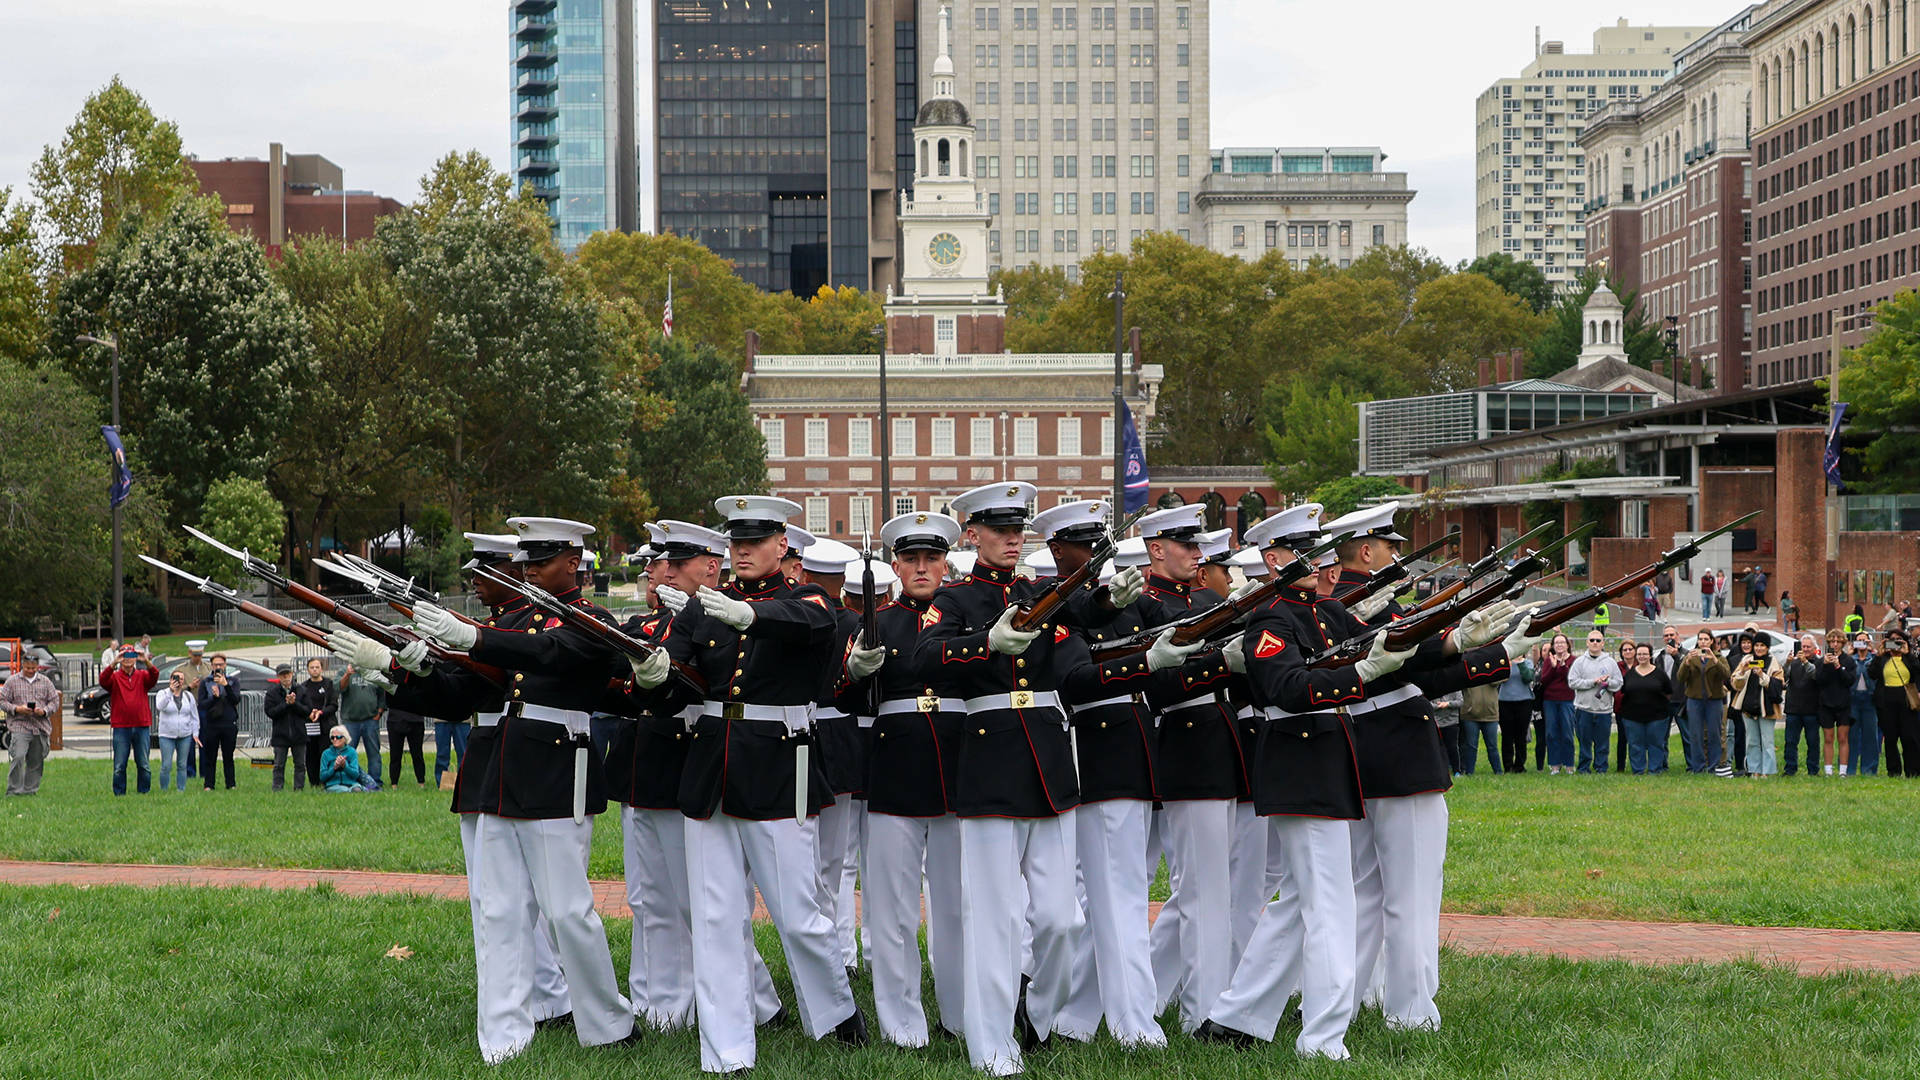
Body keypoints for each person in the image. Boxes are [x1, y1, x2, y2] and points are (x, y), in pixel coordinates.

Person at [911, 482, 1140, 1073]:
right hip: (990, 761)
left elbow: (1082, 613)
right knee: (995, 917)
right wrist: (985, 643)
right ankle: (991, 1047)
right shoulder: (956, 598)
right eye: (1000, 529)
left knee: (1062, 920)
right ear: (973, 535)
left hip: (1049, 760)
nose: (1013, 538)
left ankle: (1034, 1012)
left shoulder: (1039, 592)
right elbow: (925, 657)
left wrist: (1109, 597)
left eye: (1019, 529)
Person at [391, 517, 639, 1059]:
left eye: (541, 559)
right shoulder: (516, 620)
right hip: (504, 772)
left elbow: (549, 654)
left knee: (567, 911)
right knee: (498, 911)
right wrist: (402, 669)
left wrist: (477, 637)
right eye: (525, 559)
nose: (527, 568)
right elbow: (473, 689)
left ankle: (608, 1023)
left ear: (573, 562)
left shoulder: (592, 621)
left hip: (555, 769)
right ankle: (503, 1039)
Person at [641, 497, 869, 1071]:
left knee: (798, 912)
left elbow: (816, 624)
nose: (741, 551)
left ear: (782, 548)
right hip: (713, 767)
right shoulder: (701, 609)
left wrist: (753, 618)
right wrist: (654, 676)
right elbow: (678, 684)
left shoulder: (807, 599)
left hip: (778, 766)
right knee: (717, 916)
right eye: (735, 542)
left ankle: (836, 1014)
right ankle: (728, 1050)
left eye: (755, 542)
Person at [1028, 501, 1170, 1049]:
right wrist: (1144, 661)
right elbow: (1077, 681)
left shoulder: (1124, 602)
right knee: (1121, 900)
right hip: (1095, 755)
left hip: (1132, 754)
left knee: (1114, 898)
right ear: (1057, 550)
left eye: (1099, 544)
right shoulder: (1053, 608)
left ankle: (1074, 1017)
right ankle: (1136, 1025)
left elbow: (1177, 637)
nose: (1095, 555)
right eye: (1083, 545)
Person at [839, 510, 972, 1047]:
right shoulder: (877, 624)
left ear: (946, 563)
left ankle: (961, 1016)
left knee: (958, 905)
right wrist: (852, 673)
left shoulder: (966, 618)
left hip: (959, 768)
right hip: (895, 770)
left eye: (932, 558)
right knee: (891, 908)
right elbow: (843, 700)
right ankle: (902, 1025)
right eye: (911, 558)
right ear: (895, 565)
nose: (922, 567)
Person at [100, 648, 157, 795]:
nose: (128, 659)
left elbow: (155, 676)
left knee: (143, 763)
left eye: (131, 656)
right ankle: (119, 793)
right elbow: (102, 680)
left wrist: (146, 660)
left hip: (141, 725)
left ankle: (144, 792)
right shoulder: (115, 678)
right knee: (119, 764)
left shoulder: (143, 675)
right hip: (121, 726)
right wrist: (114, 662)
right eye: (124, 656)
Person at [1, 654, 59, 795]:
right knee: (19, 756)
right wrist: (17, 709)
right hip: (19, 724)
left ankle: (30, 790)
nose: (31, 670)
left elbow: (55, 701)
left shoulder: (45, 681)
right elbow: (3, 701)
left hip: (40, 726)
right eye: (28, 668)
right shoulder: (12, 681)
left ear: (37, 666)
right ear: (22, 665)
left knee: (36, 760)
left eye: (33, 668)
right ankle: (14, 791)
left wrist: (44, 711)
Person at [1567, 630, 1621, 774]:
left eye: (1598, 640)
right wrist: (1593, 682)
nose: (1595, 643)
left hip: (1604, 710)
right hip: (1584, 709)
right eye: (1592, 640)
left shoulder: (1610, 662)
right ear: (1587, 642)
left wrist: (1607, 683)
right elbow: (1572, 682)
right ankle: (1584, 768)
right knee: (1584, 742)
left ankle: (1601, 768)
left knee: (1602, 743)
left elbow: (1619, 683)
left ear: (1603, 643)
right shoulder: (1579, 662)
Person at [1677, 631, 1731, 774]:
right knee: (1696, 735)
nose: (1703, 642)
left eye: (1706, 639)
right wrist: (1687, 663)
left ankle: (1713, 766)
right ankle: (1698, 767)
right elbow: (1681, 678)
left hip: (1714, 701)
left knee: (1714, 734)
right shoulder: (1691, 656)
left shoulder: (1719, 657)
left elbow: (1726, 675)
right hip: (1695, 700)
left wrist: (1714, 659)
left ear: (1712, 641)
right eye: (1700, 639)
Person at [1730, 638, 1782, 777]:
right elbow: (1735, 684)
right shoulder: (1746, 660)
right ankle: (1755, 770)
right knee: (1752, 741)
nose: (1759, 648)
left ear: (1767, 648)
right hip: (1747, 708)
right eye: (1757, 645)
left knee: (1767, 741)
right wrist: (1743, 671)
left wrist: (1762, 674)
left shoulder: (1773, 662)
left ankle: (1768, 771)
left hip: (1767, 708)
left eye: (1762, 645)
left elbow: (1777, 685)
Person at [1618, 644, 1671, 774]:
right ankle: (1638, 770)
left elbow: (1668, 692)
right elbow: (1624, 691)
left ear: (1650, 656)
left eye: (1645, 654)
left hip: (1657, 717)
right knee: (1635, 744)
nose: (1642, 656)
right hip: (1632, 716)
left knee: (1656, 744)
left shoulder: (1660, 673)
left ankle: (1655, 769)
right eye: (1640, 654)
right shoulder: (1630, 674)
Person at [1870, 631, 1918, 776]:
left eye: (1899, 640)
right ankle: (1893, 771)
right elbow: (1872, 674)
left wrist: (1908, 654)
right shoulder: (1883, 658)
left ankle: (1913, 770)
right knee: (1890, 738)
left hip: (1906, 700)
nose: (1895, 643)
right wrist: (1878, 655)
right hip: (1886, 700)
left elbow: (1917, 671)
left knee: (1910, 737)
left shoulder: (1909, 657)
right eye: (1892, 640)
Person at [1815, 629, 1860, 777]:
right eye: (1832, 641)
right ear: (1828, 643)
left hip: (1843, 704)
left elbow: (1850, 681)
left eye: (1838, 641)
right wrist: (1827, 665)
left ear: (1843, 643)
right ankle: (1828, 771)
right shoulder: (1822, 661)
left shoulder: (1849, 661)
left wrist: (1838, 667)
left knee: (1843, 738)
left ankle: (1843, 771)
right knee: (1828, 738)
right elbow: (1820, 681)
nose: (1835, 644)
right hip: (1826, 704)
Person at [195, 653, 241, 790]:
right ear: (211, 666)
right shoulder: (205, 682)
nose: (218, 667)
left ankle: (231, 784)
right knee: (210, 756)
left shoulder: (233, 681)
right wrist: (214, 697)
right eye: (215, 665)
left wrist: (226, 686)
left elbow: (236, 699)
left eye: (221, 664)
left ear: (225, 665)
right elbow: (202, 704)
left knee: (228, 756)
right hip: (212, 724)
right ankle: (209, 785)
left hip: (228, 723)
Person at [1780, 636, 1822, 776]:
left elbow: (1816, 676)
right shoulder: (1794, 663)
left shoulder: (1818, 663)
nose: (1805, 649)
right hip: (1793, 709)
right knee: (1791, 742)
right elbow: (1784, 678)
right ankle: (1790, 769)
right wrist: (1787, 664)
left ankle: (1813, 770)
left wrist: (1805, 662)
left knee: (1813, 742)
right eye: (1803, 646)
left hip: (1811, 709)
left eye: (1808, 647)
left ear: (1815, 648)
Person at [338, 664, 386, 785]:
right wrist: (347, 675)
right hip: (350, 721)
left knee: (374, 753)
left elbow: (382, 693)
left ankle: (374, 782)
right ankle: (348, 780)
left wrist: (379, 713)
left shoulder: (375, 671)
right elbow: (339, 688)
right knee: (347, 753)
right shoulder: (345, 670)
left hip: (371, 720)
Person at [153, 670, 200, 792]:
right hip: (167, 735)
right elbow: (160, 706)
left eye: (181, 679)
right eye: (176, 678)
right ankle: (164, 789)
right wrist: (170, 691)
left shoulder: (188, 696)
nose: (178, 681)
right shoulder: (163, 693)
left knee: (182, 764)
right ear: (170, 679)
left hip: (185, 734)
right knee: (166, 765)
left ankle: (181, 789)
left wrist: (195, 733)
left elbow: (194, 716)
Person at [294, 658, 336, 788]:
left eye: (317, 667)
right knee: (311, 753)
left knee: (325, 752)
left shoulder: (329, 684)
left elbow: (334, 705)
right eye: (312, 667)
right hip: (310, 724)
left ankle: (326, 780)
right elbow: (299, 705)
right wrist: (309, 713)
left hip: (325, 724)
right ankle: (314, 781)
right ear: (307, 670)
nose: (315, 670)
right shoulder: (303, 687)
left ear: (322, 669)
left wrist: (321, 712)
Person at [1537, 634, 1576, 774]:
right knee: (1551, 733)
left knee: (1567, 733)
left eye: (1562, 642)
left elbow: (1571, 680)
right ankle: (1554, 765)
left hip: (1567, 700)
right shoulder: (1549, 660)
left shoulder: (1573, 660)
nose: (1560, 645)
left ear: (1567, 645)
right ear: (1553, 646)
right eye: (1557, 643)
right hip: (1550, 700)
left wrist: (1564, 666)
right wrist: (1553, 667)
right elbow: (1544, 680)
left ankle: (1569, 765)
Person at [264, 663, 306, 791]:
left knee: (300, 764)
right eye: (282, 674)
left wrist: (294, 704)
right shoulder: (272, 693)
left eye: (288, 673)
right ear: (278, 676)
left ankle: (299, 788)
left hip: (299, 733)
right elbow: (270, 712)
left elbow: (306, 711)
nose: (286, 676)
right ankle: (277, 787)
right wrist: (286, 704)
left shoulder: (302, 690)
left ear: (292, 674)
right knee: (279, 765)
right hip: (280, 734)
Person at [1656, 626, 1690, 770]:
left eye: (1671, 634)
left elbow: (1688, 671)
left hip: (1681, 700)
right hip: (1664, 702)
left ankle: (1692, 765)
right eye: (1666, 635)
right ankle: (1662, 765)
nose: (1669, 638)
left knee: (1687, 736)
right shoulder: (1660, 656)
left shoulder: (1686, 654)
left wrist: (1676, 655)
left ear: (1678, 636)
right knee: (1662, 737)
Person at [1496, 647, 1535, 773]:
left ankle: (1519, 765)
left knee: (1521, 735)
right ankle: (1507, 765)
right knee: (1507, 735)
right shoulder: (1504, 663)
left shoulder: (1527, 663)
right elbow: (1498, 679)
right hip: (1505, 702)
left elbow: (1528, 678)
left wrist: (1520, 663)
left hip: (1524, 702)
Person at [1849, 635, 1882, 776]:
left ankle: (1869, 769)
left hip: (1870, 699)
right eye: (1859, 640)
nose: (1862, 643)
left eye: (1864, 640)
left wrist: (1873, 650)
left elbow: (1878, 672)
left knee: (1870, 735)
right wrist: (1850, 652)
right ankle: (1849, 769)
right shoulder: (1851, 659)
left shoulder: (1873, 659)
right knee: (1852, 735)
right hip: (1853, 699)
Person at [1460, 683, 1501, 775]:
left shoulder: (1491, 670)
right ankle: (1469, 772)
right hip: (1470, 715)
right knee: (1471, 746)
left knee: (1492, 746)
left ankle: (1498, 771)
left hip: (1491, 714)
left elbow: (1500, 679)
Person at [386, 705, 427, 788]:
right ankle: (394, 783)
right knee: (395, 754)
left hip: (416, 720)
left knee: (417, 754)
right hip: (395, 720)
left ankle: (421, 782)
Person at [433, 711, 469, 789]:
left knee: (464, 754)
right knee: (442, 753)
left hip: (463, 718)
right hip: (441, 718)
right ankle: (441, 783)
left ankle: (463, 783)